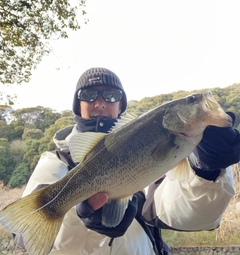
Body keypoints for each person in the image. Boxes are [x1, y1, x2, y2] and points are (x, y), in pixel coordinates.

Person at [15, 67, 240, 255]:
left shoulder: (166, 153)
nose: (100, 102)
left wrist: (206, 172)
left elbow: (189, 216)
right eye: (89, 94)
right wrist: (75, 219)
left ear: (121, 105)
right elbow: (28, 238)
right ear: (77, 106)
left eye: (111, 95)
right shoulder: (54, 163)